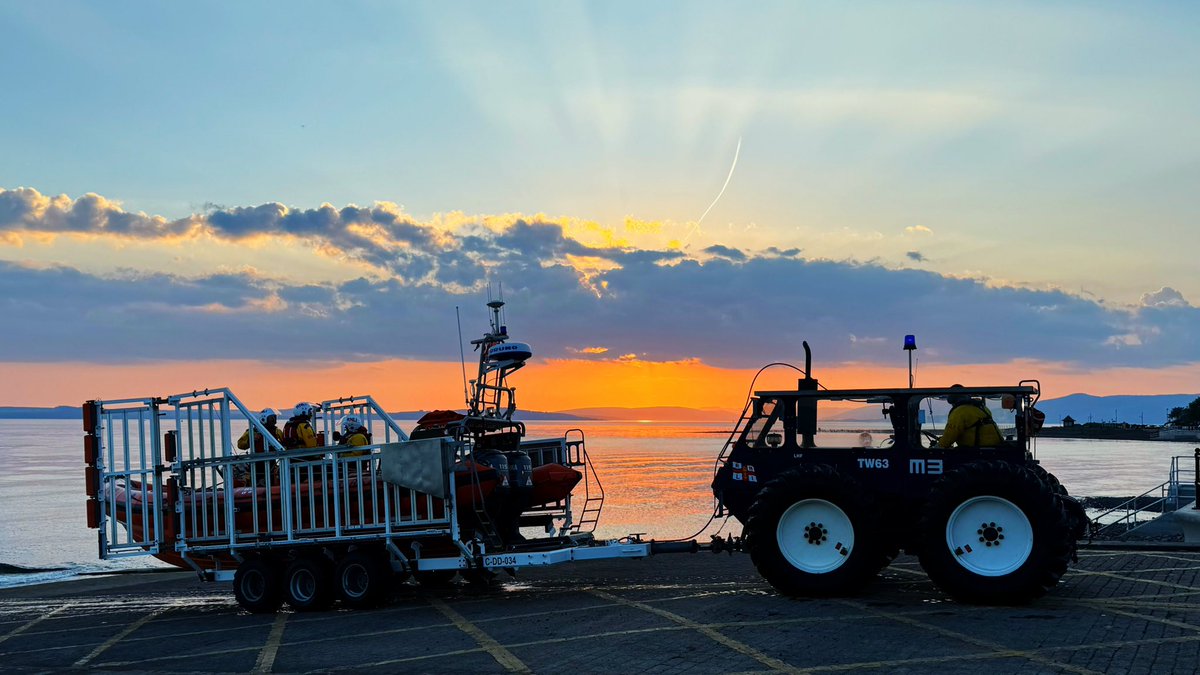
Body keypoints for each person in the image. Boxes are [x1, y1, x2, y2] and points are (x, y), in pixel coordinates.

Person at [937, 385, 1004, 448]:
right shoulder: (982, 408)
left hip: (975, 453)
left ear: (952, 400)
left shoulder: (959, 412)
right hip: (995, 449)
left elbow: (948, 438)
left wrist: (938, 446)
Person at [235, 408, 283, 485]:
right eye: (272, 418)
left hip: (271, 462)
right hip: (256, 463)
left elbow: (284, 445)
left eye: (274, 417)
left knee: (271, 479)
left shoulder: (277, 431)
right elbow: (240, 444)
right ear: (264, 419)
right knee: (257, 480)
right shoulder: (252, 432)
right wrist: (251, 440)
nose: (274, 420)